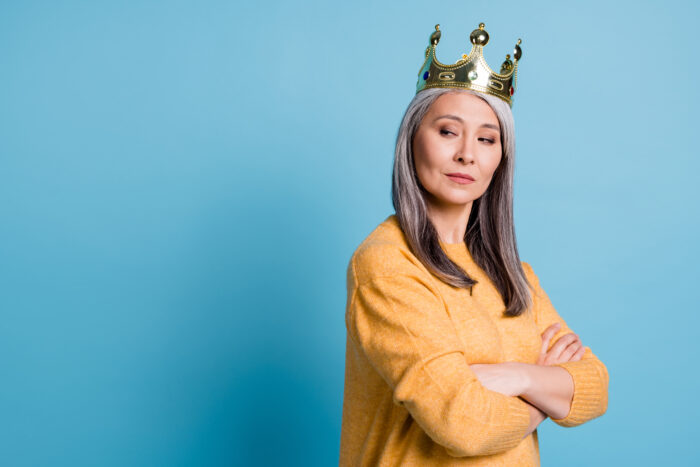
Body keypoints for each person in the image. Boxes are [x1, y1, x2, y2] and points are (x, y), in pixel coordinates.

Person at [339, 22, 609, 466]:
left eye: (487, 139)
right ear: (412, 141)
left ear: (501, 158)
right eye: (448, 131)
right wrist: (546, 387)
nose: (468, 153)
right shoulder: (387, 265)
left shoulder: (513, 275)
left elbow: (595, 386)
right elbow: (465, 423)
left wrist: (514, 377)